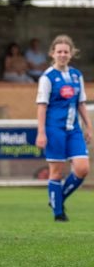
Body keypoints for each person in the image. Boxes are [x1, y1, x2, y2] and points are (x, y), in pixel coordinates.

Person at [35, 34, 91, 222]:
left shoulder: (76, 75)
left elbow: (81, 103)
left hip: (74, 130)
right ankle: (58, 213)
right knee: (56, 172)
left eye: (66, 51)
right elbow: (41, 106)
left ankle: (57, 199)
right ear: (52, 53)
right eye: (59, 51)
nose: (62, 54)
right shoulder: (47, 77)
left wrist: (89, 127)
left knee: (82, 168)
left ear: (71, 53)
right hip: (54, 130)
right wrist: (41, 132)